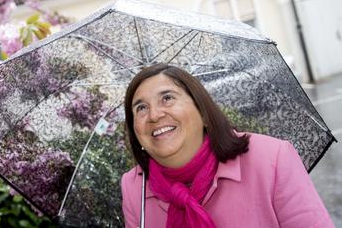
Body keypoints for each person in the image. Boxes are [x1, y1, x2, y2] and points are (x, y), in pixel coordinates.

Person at [120, 63, 334, 228]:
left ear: (202, 111)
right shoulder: (133, 187)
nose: (154, 115)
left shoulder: (273, 159)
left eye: (167, 98)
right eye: (141, 108)